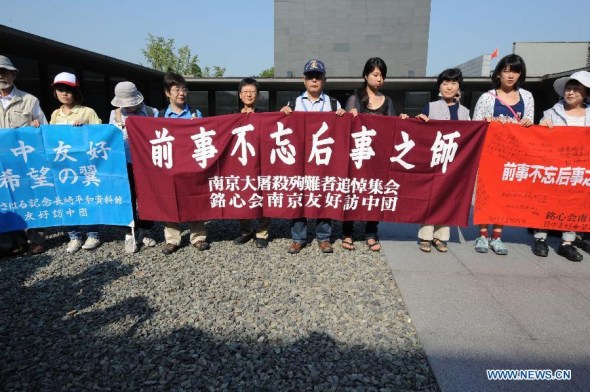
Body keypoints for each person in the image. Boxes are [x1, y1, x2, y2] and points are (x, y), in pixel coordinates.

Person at [280, 59, 346, 254]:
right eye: (310, 77)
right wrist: (283, 113)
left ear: (324, 80)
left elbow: (341, 131)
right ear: (304, 80)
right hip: (299, 160)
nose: (314, 80)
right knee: (299, 194)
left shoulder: (333, 103)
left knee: (323, 193)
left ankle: (324, 237)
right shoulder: (294, 102)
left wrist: (342, 116)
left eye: (318, 77)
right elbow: (283, 129)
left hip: (324, 158)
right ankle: (298, 237)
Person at [472, 54, 534, 255]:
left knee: (504, 195)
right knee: (486, 194)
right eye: (506, 70)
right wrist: (486, 123)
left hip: (512, 156)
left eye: (515, 71)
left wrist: (527, 124)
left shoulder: (527, 97)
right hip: (489, 154)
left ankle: (497, 236)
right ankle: (482, 234)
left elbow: (530, 124)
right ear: (498, 73)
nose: (510, 75)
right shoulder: (487, 97)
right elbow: (475, 126)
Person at [532, 70, 590, 262]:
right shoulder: (550, 113)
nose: (571, 92)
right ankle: (540, 238)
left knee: (574, 204)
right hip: (554, 167)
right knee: (547, 201)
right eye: (568, 88)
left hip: (580, 170)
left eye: (576, 89)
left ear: (586, 94)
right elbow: (538, 139)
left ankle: (568, 242)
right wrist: (543, 127)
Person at [342, 57, 397, 252]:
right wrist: (350, 116)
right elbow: (344, 126)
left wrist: (405, 120)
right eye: (375, 74)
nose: (379, 79)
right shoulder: (354, 98)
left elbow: (394, 126)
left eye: (382, 75)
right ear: (366, 76)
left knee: (375, 192)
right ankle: (347, 232)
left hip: (378, 157)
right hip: (356, 155)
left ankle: (371, 233)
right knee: (352, 191)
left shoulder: (387, 101)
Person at [416, 68, 471, 253]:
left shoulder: (465, 112)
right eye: (446, 83)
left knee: (448, 199)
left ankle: (441, 237)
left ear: (459, 87)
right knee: (431, 198)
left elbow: (470, 136)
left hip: (455, 163)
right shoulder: (430, 107)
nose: (449, 87)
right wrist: (419, 121)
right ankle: (425, 235)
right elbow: (421, 132)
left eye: (454, 83)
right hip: (434, 160)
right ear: (439, 86)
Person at [49, 72, 103, 253]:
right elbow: (49, 139)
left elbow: (100, 134)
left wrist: (86, 127)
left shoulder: (87, 112)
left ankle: (93, 233)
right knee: (67, 200)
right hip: (63, 167)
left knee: (88, 198)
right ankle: (73, 235)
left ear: (76, 92)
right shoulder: (55, 114)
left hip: (84, 165)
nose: (64, 94)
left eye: (69, 90)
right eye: (60, 90)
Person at [0, 55, 48, 256]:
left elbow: (43, 128)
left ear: (14, 74)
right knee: (4, 200)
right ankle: (12, 243)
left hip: (25, 161)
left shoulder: (29, 100)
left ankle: (35, 239)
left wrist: (36, 128)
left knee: (29, 197)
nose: (1, 76)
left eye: (5, 72)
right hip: (1, 162)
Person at [157, 72, 208, 255]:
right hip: (169, 165)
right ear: (167, 93)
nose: (181, 93)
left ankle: (198, 237)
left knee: (195, 198)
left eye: (184, 89)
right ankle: (172, 239)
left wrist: (197, 125)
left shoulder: (196, 113)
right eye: (176, 89)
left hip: (191, 165)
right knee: (169, 200)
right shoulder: (160, 115)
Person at [109, 81, 158, 253]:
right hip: (124, 163)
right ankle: (129, 233)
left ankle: (146, 230)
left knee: (146, 196)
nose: (128, 108)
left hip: (146, 163)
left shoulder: (152, 112)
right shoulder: (114, 114)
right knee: (126, 197)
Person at [232, 78, 272, 248]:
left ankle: (262, 233)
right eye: (245, 91)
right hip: (241, 163)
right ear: (240, 95)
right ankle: (245, 231)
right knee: (243, 194)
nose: (249, 94)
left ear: (258, 95)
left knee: (263, 195)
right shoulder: (232, 117)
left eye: (252, 92)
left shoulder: (265, 116)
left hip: (261, 163)